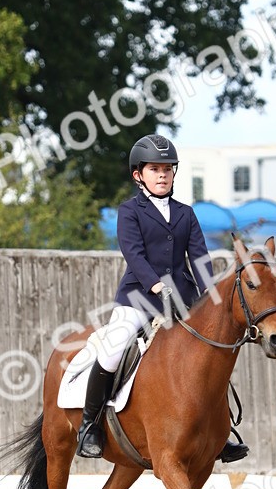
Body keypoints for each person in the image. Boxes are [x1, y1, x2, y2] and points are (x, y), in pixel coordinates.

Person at [75, 133, 250, 463]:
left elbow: (198, 258)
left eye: (168, 169)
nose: (162, 174)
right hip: (139, 297)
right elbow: (134, 254)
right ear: (138, 174)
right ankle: (90, 426)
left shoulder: (186, 213)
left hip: (182, 299)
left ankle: (220, 434)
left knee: (208, 355)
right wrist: (157, 286)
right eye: (155, 169)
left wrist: (210, 298)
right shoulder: (129, 211)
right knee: (113, 350)